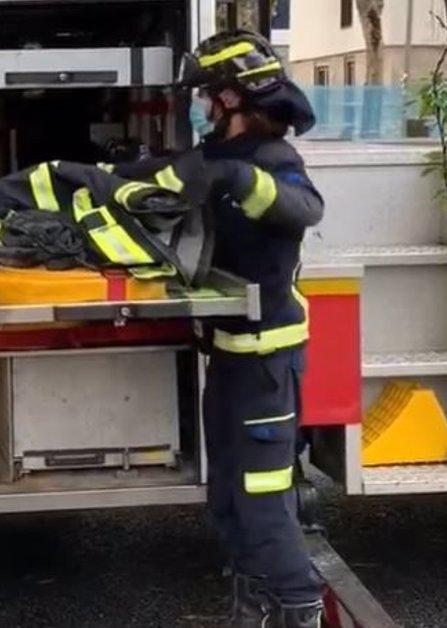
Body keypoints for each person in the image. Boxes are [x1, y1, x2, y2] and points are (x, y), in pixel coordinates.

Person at [179, 31, 326, 628]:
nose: (203, 108)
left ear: (234, 98)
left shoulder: (273, 160)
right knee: (229, 502)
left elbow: (305, 209)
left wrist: (241, 186)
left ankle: (299, 608)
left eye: (209, 96)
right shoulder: (221, 156)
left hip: (265, 364)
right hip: (229, 358)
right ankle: (252, 610)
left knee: (264, 504)